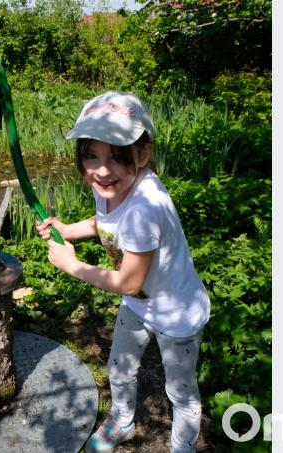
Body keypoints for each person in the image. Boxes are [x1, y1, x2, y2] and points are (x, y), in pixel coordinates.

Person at [36, 91, 210, 453]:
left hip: (176, 314)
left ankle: (183, 447)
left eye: (117, 157)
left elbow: (129, 282)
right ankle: (123, 421)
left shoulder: (146, 208)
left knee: (181, 392)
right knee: (120, 367)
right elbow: (105, 222)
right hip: (139, 305)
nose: (101, 170)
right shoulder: (112, 186)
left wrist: (74, 265)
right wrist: (69, 230)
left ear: (143, 154)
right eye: (91, 156)